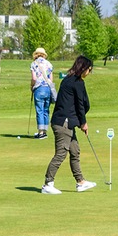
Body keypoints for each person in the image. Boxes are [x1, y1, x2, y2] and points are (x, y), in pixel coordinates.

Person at [42, 56, 97, 195]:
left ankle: (80, 182)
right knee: (61, 153)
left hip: (66, 122)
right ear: (83, 68)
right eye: (89, 69)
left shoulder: (68, 79)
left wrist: (78, 122)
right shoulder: (76, 82)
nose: (89, 72)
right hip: (63, 123)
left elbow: (77, 104)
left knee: (74, 150)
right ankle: (48, 184)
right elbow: (79, 105)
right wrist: (83, 123)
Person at [29, 48, 55, 139]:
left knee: (39, 110)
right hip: (47, 88)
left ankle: (40, 132)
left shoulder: (34, 64)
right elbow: (51, 79)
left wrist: (32, 86)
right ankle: (45, 131)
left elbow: (34, 78)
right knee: (46, 110)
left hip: (39, 88)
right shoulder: (49, 64)